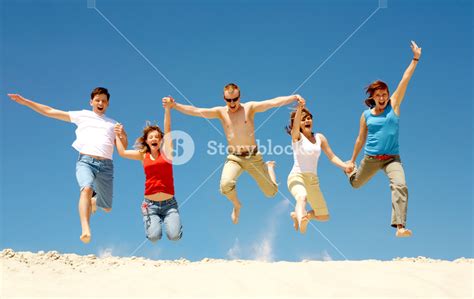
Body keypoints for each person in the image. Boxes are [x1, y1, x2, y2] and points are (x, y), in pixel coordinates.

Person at [166, 83, 304, 224]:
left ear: (240, 96)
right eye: (228, 100)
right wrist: (175, 105)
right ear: (224, 98)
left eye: (235, 99)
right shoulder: (220, 112)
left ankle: (269, 168)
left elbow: (272, 103)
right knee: (225, 186)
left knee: (271, 193)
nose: (232, 103)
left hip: (253, 157)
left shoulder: (249, 108)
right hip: (235, 158)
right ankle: (237, 205)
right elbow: (196, 111)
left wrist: (293, 97)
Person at [7, 87, 126, 243]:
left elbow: (122, 148)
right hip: (86, 161)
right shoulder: (83, 115)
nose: (100, 103)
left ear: (108, 104)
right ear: (91, 102)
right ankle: (85, 229)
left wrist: (122, 134)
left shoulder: (113, 124)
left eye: (104, 100)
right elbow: (50, 111)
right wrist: (26, 102)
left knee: (107, 207)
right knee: (86, 189)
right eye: (97, 100)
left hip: (106, 165)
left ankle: (94, 200)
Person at [346, 41, 422, 237]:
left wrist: (415, 59)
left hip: (391, 159)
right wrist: (352, 161)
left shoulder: (394, 105)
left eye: (385, 94)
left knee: (400, 185)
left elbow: (405, 80)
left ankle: (400, 226)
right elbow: (360, 139)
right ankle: (351, 172)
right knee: (355, 184)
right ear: (372, 97)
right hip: (371, 158)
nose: (382, 98)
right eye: (378, 95)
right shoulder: (366, 115)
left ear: (388, 95)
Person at [114, 97, 182, 242]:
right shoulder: (142, 155)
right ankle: (150, 221)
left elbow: (168, 129)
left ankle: (174, 225)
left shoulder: (167, 153)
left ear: (161, 140)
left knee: (174, 236)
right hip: (150, 205)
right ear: (146, 140)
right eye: (151, 137)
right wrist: (117, 135)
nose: (154, 138)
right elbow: (122, 153)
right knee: (153, 237)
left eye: (157, 136)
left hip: (169, 204)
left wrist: (167, 109)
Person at [286, 98, 352, 233]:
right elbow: (294, 128)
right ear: (298, 123)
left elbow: (332, 156)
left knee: (323, 216)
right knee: (302, 197)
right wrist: (299, 109)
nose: (307, 121)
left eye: (309, 118)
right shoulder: (297, 137)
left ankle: (303, 217)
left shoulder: (320, 138)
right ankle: (301, 219)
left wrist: (345, 167)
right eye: (304, 119)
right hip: (296, 176)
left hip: (313, 181)